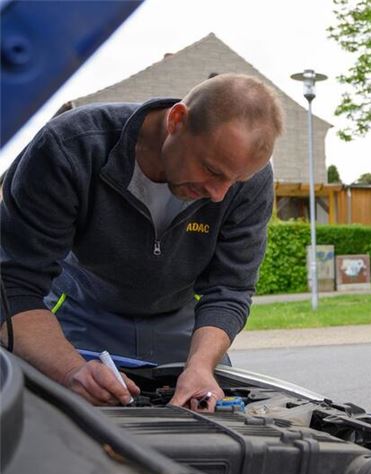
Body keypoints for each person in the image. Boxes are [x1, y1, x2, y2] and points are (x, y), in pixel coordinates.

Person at [0, 74, 284, 411]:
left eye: (235, 181)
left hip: (179, 324)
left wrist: (201, 366)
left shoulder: (250, 182)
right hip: (77, 315)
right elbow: (13, 285)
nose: (219, 194)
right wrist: (70, 369)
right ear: (177, 120)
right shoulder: (72, 147)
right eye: (211, 170)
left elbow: (229, 289)